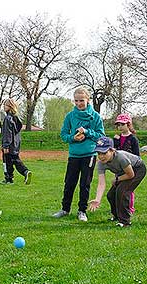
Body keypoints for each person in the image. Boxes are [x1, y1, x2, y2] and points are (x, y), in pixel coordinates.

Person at [53, 87, 105, 222]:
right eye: (76, 101)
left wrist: (87, 132)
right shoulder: (70, 116)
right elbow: (64, 134)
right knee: (69, 182)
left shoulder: (95, 117)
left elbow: (101, 137)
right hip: (74, 155)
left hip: (89, 155)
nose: (78, 103)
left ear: (88, 100)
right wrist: (73, 138)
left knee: (84, 184)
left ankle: (82, 211)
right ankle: (65, 209)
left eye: (81, 100)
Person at [88, 136, 147, 227]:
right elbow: (101, 183)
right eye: (99, 153)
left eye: (104, 153)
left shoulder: (120, 157)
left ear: (112, 150)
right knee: (110, 195)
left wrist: (117, 179)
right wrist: (97, 199)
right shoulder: (101, 163)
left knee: (122, 191)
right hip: (123, 172)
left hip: (137, 169)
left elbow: (130, 175)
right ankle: (116, 216)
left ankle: (125, 221)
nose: (101, 156)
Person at [113, 113, 140, 214]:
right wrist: (115, 141)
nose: (120, 127)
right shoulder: (117, 138)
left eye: (122, 124)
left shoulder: (133, 139)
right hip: (119, 167)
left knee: (128, 188)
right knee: (118, 187)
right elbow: (114, 152)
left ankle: (130, 207)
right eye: (118, 125)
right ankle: (118, 206)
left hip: (130, 167)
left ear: (128, 125)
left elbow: (137, 155)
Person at [1, 98, 32, 185]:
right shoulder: (16, 119)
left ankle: (21, 173)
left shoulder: (8, 119)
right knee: (12, 160)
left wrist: (5, 145)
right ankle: (9, 178)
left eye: (5, 105)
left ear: (10, 107)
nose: (3, 107)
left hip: (9, 145)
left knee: (9, 161)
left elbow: (8, 133)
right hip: (15, 144)